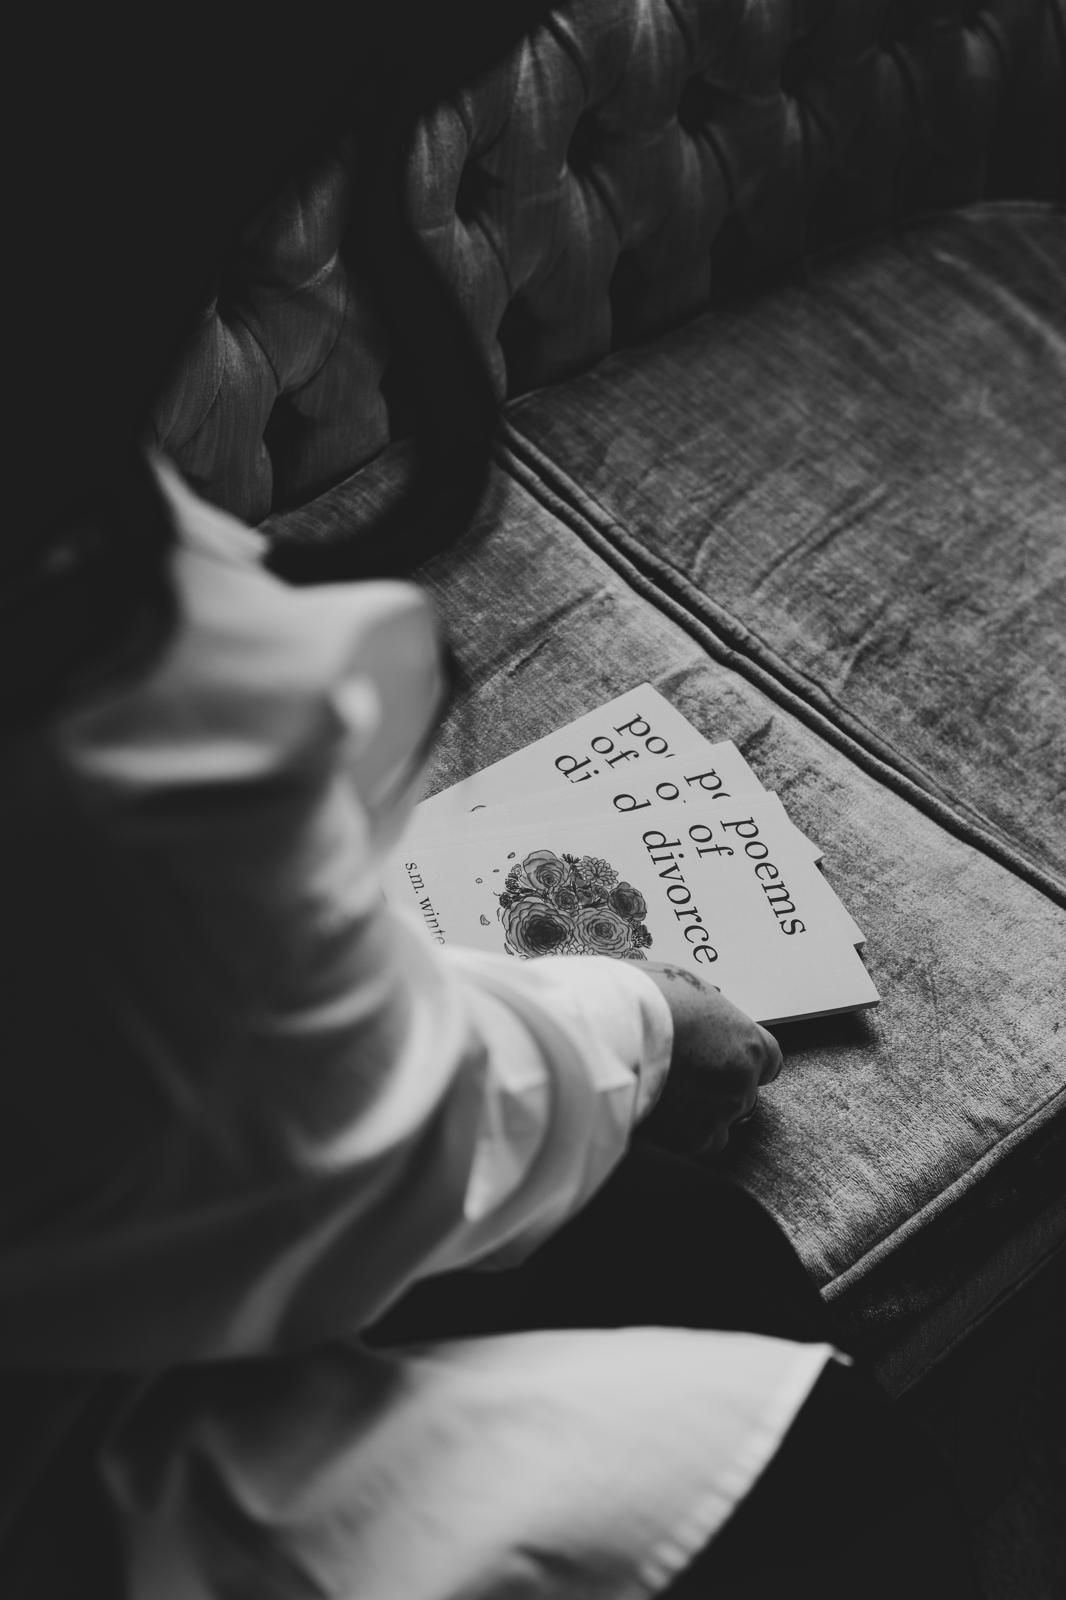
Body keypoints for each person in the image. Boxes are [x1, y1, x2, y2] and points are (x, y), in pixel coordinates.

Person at [1, 5, 980, 1597]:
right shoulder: (124, 680)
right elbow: (333, 1141)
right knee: (814, 1471)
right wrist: (638, 1017)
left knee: (687, 1236)